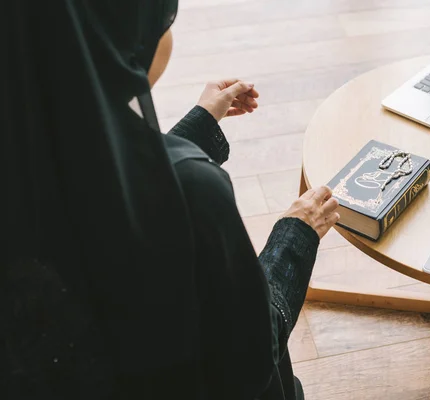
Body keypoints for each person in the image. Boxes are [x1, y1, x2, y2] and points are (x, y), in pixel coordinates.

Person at [1, 1, 339, 399]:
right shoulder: (197, 191)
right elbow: (251, 357)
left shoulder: (29, 155)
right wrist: (295, 235)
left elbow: (110, 189)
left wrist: (199, 124)